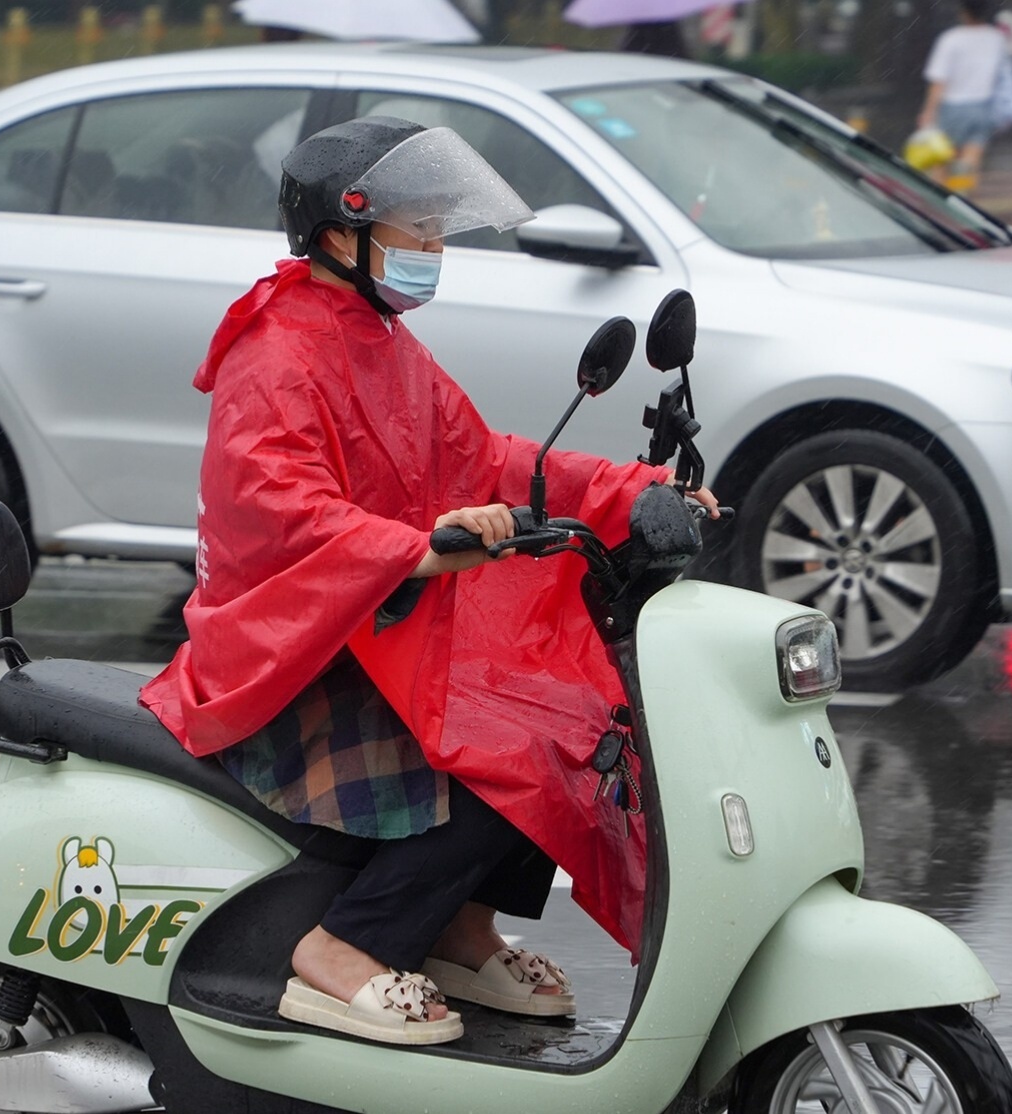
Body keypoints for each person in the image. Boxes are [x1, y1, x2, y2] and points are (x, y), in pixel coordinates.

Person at [138, 116, 717, 1046]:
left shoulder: (379, 339)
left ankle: (457, 927)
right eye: (417, 228)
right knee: (514, 759)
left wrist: (641, 489)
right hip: (293, 654)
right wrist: (419, 545)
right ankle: (341, 949)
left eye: (437, 229)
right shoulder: (276, 352)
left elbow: (485, 459)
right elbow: (285, 509)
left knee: (574, 723)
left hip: (371, 622)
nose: (434, 247)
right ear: (341, 234)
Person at [917, 0, 1010, 193]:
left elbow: (939, 80)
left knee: (941, 159)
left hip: (953, 106)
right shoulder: (996, 38)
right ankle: (963, 196)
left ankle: (940, 200)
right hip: (983, 106)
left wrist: (928, 112)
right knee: (972, 157)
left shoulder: (951, 39)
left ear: (963, 13)